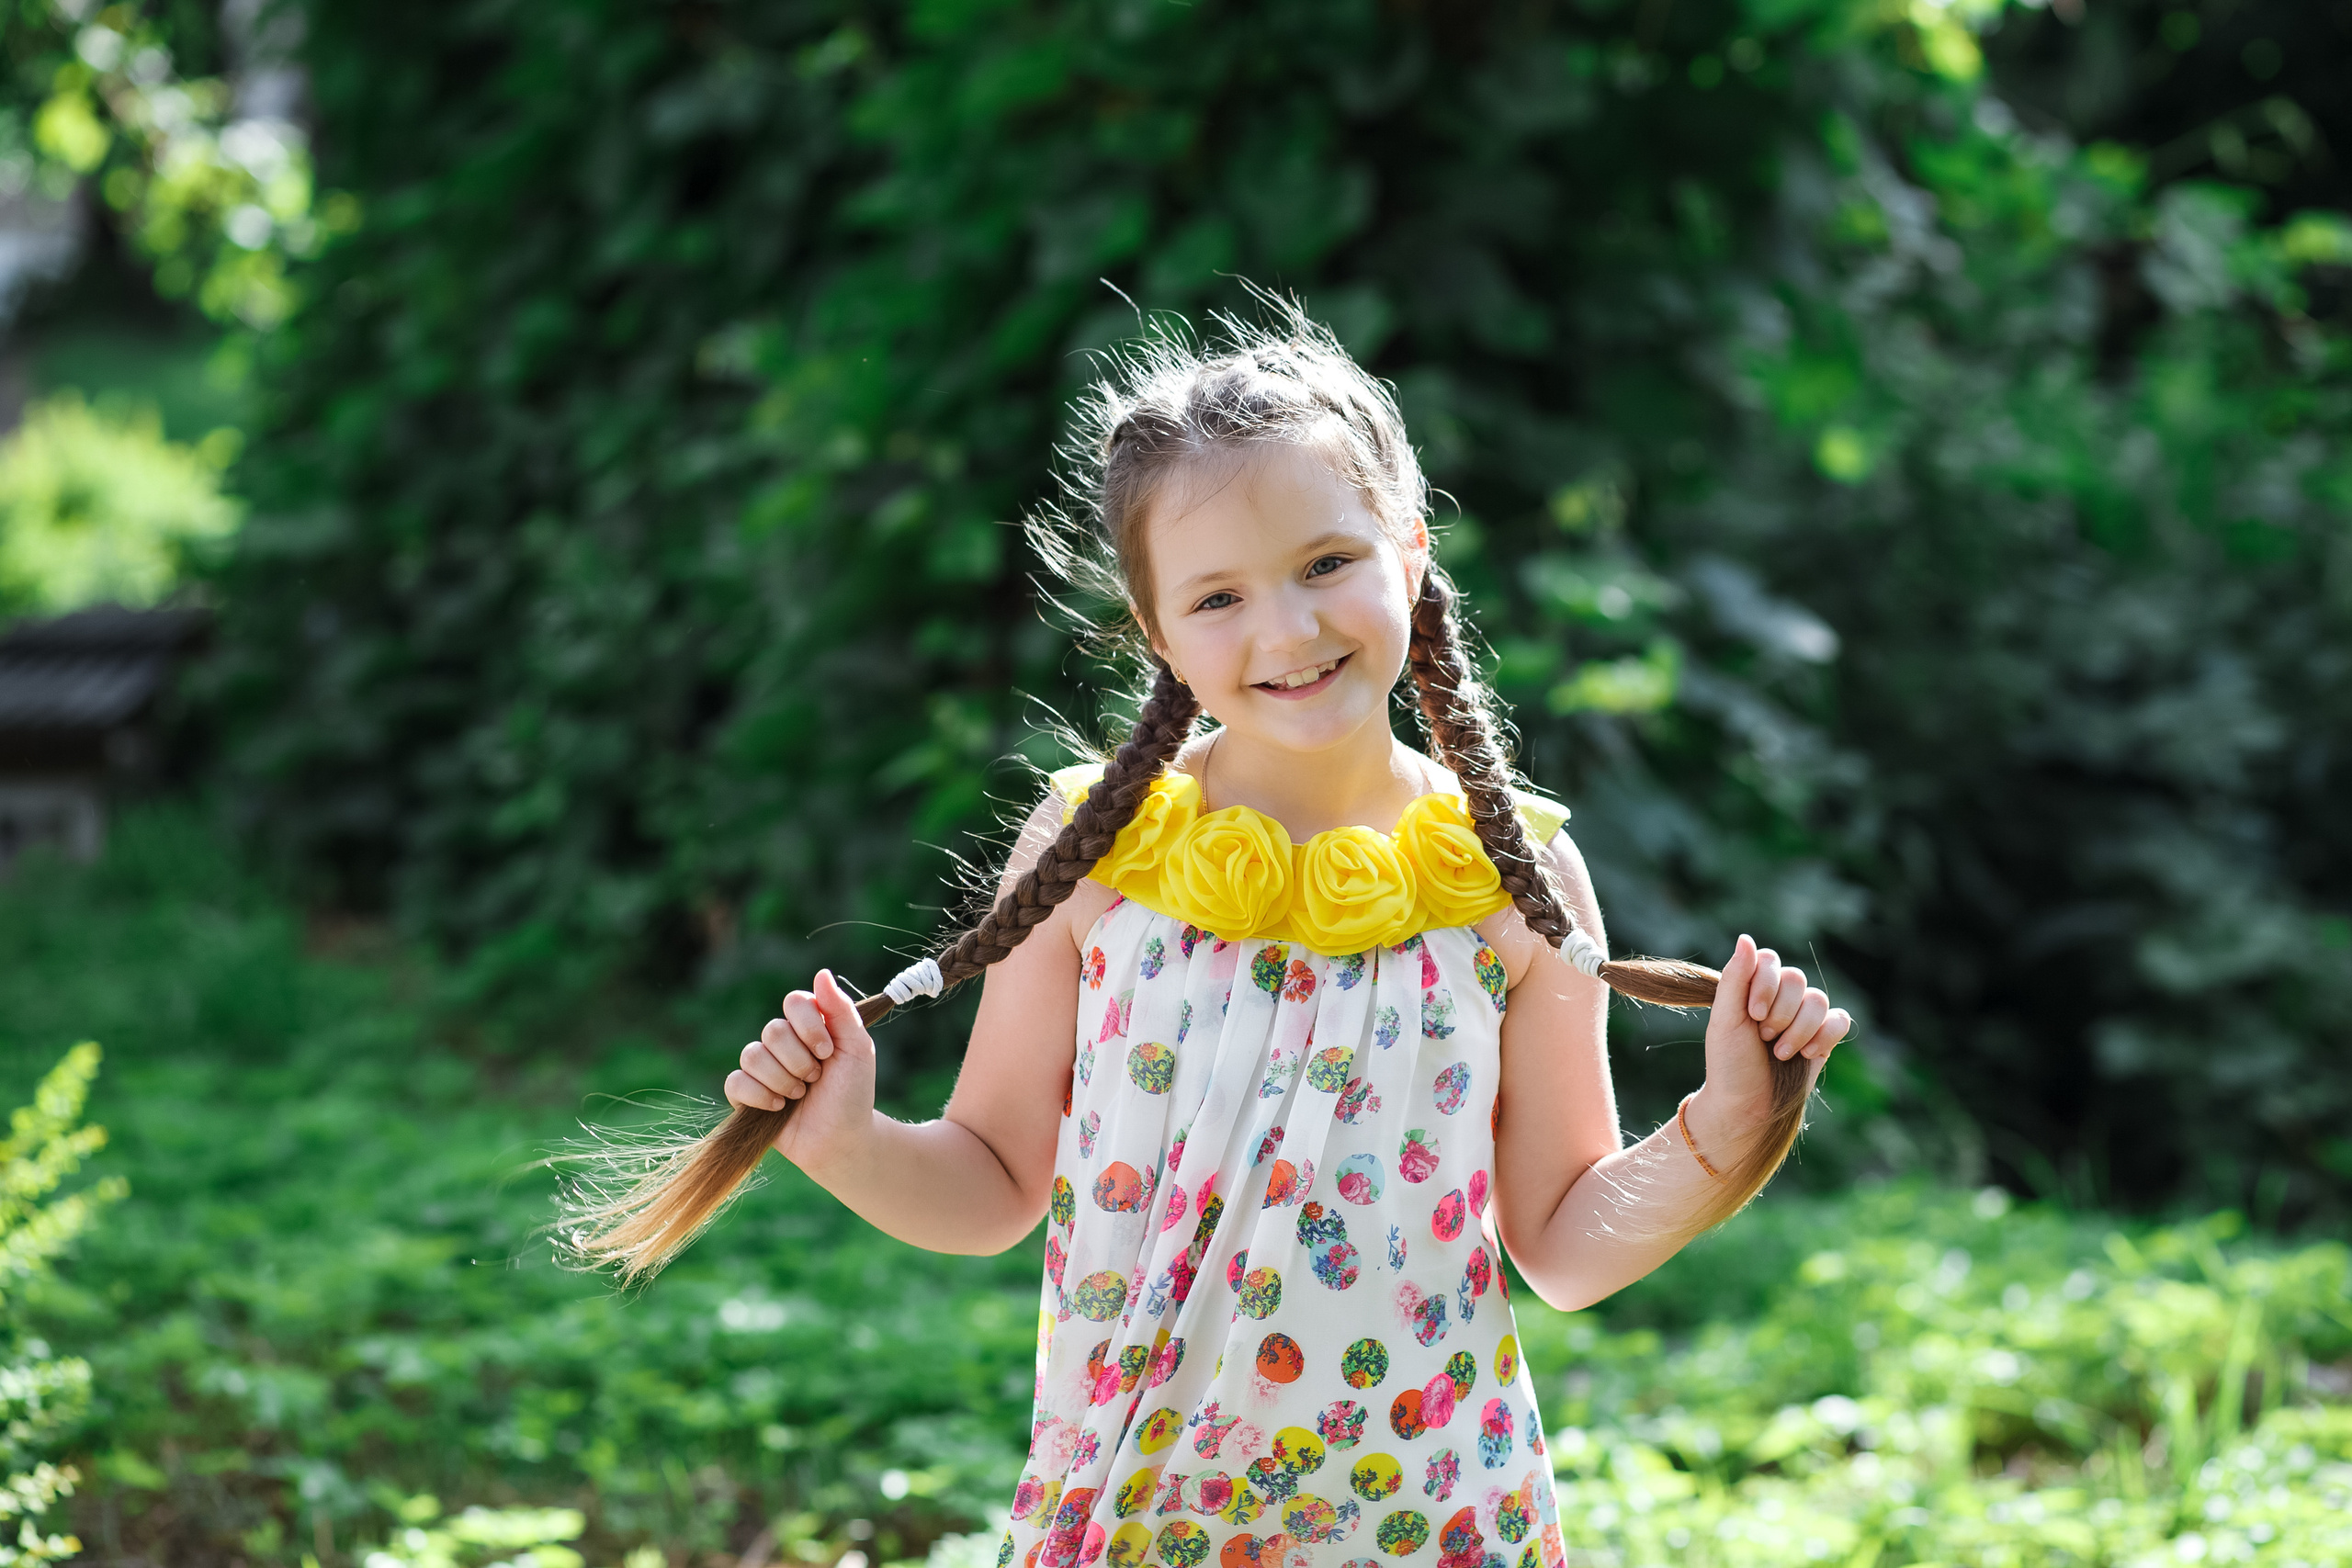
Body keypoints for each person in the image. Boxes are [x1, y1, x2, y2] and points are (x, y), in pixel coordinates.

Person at [575, 306, 1850, 1568]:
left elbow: (1566, 1245)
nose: (1287, 632)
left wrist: (1727, 1126)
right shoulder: (1097, 851)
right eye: (1220, 596)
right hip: (1143, 1517)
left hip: (1426, 1518)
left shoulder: (1514, 877)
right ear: (1157, 632)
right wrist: (845, 1139)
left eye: (1325, 565)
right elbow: (988, 1183)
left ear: (1411, 553)